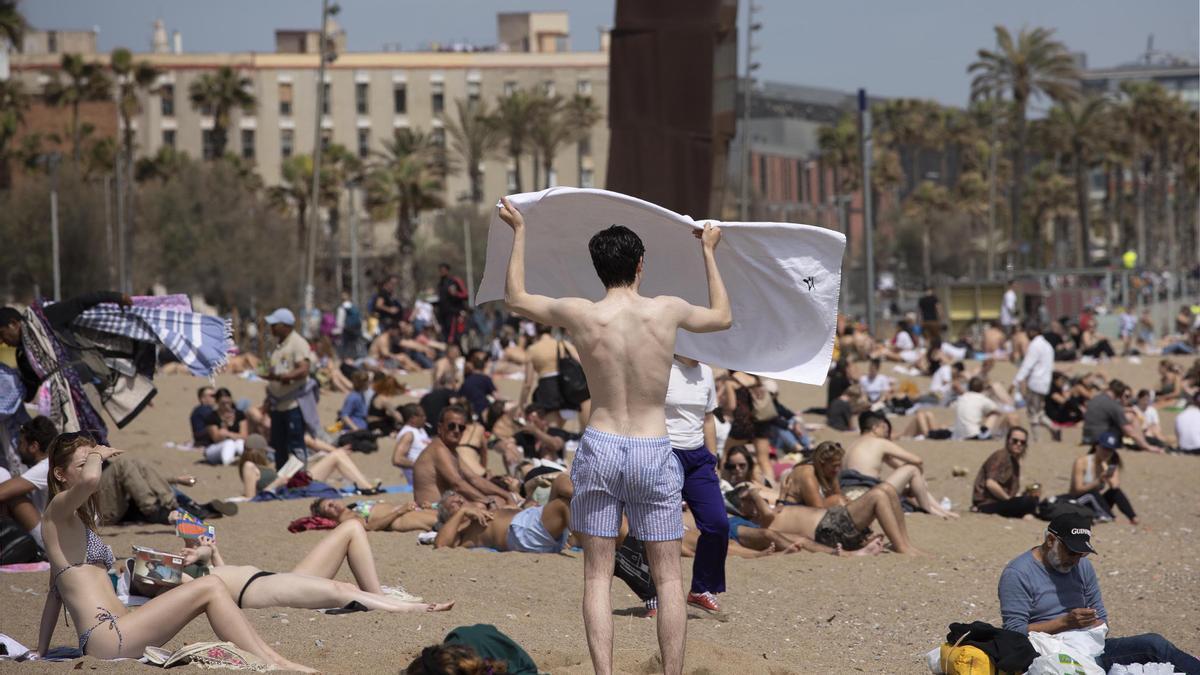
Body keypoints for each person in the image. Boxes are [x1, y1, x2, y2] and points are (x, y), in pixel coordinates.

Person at [498, 196, 732, 675]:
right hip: (651, 444)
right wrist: (709, 250)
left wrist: (518, 231)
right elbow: (722, 316)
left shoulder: (582, 314)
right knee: (668, 579)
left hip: (601, 443)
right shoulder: (666, 311)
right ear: (640, 264)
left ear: (597, 267)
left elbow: (515, 298)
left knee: (597, 576)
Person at [35, 433, 313, 671]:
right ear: (60, 473)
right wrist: (97, 453)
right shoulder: (56, 511)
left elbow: (53, 592)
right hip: (107, 637)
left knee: (204, 586)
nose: (88, 469)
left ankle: (274, 660)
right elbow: (91, 481)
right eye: (81, 464)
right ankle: (273, 664)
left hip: (121, 628)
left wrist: (41, 651)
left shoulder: (72, 522)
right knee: (211, 586)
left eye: (89, 463)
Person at [998, 513, 1200, 673]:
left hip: (1089, 647)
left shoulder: (1082, 566)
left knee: (1154, 644)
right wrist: (1064, 624)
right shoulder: (1018, 573)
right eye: (1071, 552)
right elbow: (1013, 633)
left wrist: (1093, 625)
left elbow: (1101, 617)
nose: (1076, 560)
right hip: (1048, 655)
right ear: (1051, 540)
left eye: (1082, 554)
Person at [179, 524, 451, 613]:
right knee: (341, 589)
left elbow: (222, 576)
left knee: (352, 527)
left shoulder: (189, 574)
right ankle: (414, 609)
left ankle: (376, 594)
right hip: (257, 590)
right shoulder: (176, 585)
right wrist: (200, 556)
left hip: (269, 578)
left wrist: (211, 552)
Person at [661, 354, 727, 613]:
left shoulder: (706, 372)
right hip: (665, 452)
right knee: (664, 529)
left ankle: (701, 588)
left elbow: (708, 417)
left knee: (718, 524)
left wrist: (713, 459)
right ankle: (655, 593)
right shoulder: (663, 367)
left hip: (699, 457)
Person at [842, 412, 957, 518]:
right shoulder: (879, 442)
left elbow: (898, 467)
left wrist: (914, 483)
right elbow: (917, 460)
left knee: (910, 485)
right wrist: (920, 474)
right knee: (913, 469)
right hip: (867, 494)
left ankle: (941, 510)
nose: (886, 435)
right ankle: (931, 511)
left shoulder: (852, 446)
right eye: (884, 430)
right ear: (875, 428)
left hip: (847, 496)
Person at [433, 474, 572, 553]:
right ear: (448, 518)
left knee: (562, 480)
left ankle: (591, 502)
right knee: (564, 503)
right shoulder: (462, 532)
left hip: (529, 524)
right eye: (454, 504)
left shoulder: (483, 513)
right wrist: (462, 512)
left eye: (460, 499)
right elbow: (440, 545)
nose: (460, 500)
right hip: (521, 533)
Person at [411, 405, 517, 507]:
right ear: (439, 428)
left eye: (461, 428)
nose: (457, 430)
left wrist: (506, 495)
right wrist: (488, 502)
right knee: (482, 506)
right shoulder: (438, 449)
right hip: (432, 509)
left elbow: (474, 478)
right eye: (451, 426)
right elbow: (458, 484)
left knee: (497, 501)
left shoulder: (451, 451)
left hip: (444, 508)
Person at [238, 435, 380, 498]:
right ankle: (366, 487)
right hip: (290, 488)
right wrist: (278, 482)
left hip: (292, 484)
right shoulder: (249, 466)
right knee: (337, 455)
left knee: (337, 455)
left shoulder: (259, 466)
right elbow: (252, 497)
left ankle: (366, 486)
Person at [263, 307, 313, 471]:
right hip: (278, 405)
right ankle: (282, 478)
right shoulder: (280, 345)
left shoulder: (297, 343)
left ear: (285, 325)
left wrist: (282, 377)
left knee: (295, 443)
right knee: (279, 444)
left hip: (292, 405)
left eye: (274, 324)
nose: (271, 328)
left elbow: (304, 369)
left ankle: (299, 479)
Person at [0, 416, 58, 546]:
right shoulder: (52, 463)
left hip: (54, 543)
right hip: (60, 537)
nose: (18, 448)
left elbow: (2, 492)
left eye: (21, 443)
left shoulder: (46, 467)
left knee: (12, 496)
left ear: (33, 446)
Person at [519, 324, 588, 429]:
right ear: (551, 330)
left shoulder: (532, 349)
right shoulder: (563, 344)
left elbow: (528, 383)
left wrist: (521, 404)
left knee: (553, 430)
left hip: (547, 389)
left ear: (536, 332)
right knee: (569, 430)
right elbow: (582, 365)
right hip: (567, 388)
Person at [1067, 431, 1137, 524]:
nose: (1107, 452)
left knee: (1115, 492)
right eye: (1105, 448)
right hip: (1078, 502)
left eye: (1110, 450)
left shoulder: (1108, 464)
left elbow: (1115, 486)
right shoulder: (1082, 462)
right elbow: (1077, 489)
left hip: (1094, 503)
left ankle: (1133, 518)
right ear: (1097, 446)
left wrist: (1106, 468)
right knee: (1092, 493)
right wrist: (1098, 481)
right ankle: (1111, 517)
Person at [971, 427, 1038, 518]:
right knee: (1028, 502)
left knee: (1032, 499)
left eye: (1022, 442)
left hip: (1000, 502)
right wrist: (1008, 499)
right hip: (987, 504)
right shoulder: (1001, 456)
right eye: (1015, 441)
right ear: (1008, 441)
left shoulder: (1014, 462)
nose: (1018, 444)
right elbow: (990, 483)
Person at [1012, 322, 1059, 442]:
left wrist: (1016, 381)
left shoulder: (1035, 345)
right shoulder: (1047, 346)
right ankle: (1053, 428)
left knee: (1033, 413)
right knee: (1039, 412)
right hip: (1044, 383)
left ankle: (1038, 439)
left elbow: (1027, 365)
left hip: (1035, 383)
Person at [1082, 379, 1156, 452]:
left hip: (1086, 437)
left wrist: (1123, 409)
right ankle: (1143, 444)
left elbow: (1103, 412)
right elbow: (1129, 431)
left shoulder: (1096, 398)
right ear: (1120, 395)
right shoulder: (1113, 405)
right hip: (1100, 439)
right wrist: (1147, 447)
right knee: (1130, 417)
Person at [779, 440, 847, 508]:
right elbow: (817, 508)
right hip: (792, 509)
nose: (837, 469)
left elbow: (839, 494)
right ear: (821, 463)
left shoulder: (830, 471)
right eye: (834, 466)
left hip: (807, 510)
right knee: (838, 501)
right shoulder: (807, 474)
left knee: (842, 500)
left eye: (839, 465)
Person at [202, 388, 249, 466]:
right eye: (223, 403)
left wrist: (228, 433)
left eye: (228, 402)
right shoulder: (212, 417)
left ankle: (244, 460)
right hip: (214, 448)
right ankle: (228, 462)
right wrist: (225, 425)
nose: (226, 406)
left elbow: (244, 436)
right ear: (217, 402)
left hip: (235, 444)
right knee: (229, 443)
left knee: (240, 443)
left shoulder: (239, 414)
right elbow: (216, 438)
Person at [392, 404, 432, 485]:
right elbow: (397, 459)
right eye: (422, 416)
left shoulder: (420, 430)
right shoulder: (408, 434)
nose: (425, 418)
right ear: (413, 418)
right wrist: (421, 465)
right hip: (421, 479)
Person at [436, 263, 470, 344]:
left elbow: (466, 295)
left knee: (453, 338)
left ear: (447, 271)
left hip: (454, 314)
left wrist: (456, 294)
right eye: (440, 270)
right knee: (444, 337)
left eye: (443, 270)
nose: (442, 272)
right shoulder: (440, 284)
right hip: (443, 315)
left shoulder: (455, 281)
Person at [459, 351, 497, 417]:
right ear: (483, 367)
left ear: (473, 366)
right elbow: (495, 395)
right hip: (484, 409)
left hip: (471, 411)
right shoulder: (486, 379)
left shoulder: (467, 380)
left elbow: (461, 398)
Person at [334, 291, 365, 360]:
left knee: (345, 349)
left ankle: (346, 360)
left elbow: (339, 323)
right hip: (355, 331)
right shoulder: (354, 307)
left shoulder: (341, 308)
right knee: (356, 346)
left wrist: (337, 332)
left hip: (347, 331)